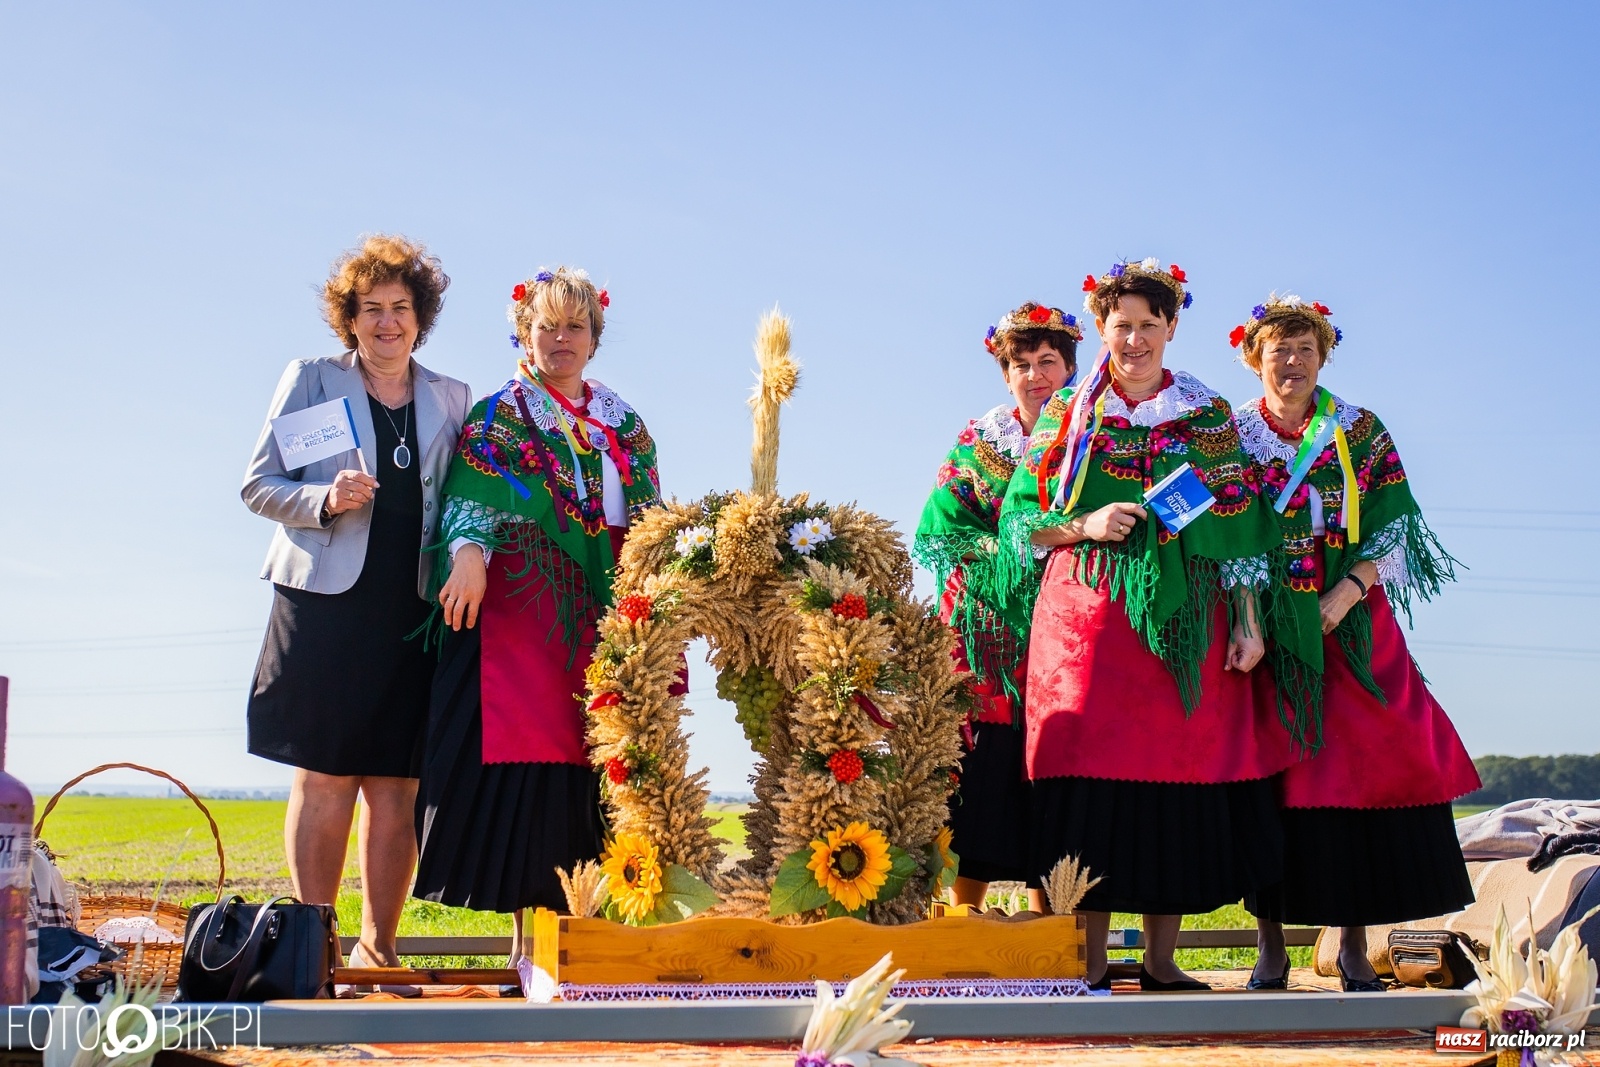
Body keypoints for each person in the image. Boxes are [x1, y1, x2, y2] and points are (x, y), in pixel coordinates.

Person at [996, 259, 1301, 991]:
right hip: (1085, 627)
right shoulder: (1070, 417)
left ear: (1171, 328)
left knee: (1177, 778)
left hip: (1185, 629)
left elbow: (1242, 523)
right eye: (1121, 325)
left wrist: (1250, 621)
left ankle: (1163, 961)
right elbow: (1017, 524)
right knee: (1088, 783)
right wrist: (1084, 523)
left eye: (1148, 325)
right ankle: (1090, 960)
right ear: (1102, 328)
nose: (1133, 339)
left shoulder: (1207, 417)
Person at [1229, 295, 1479, 992]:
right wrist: (1251, 613)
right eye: (1278, 347)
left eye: (1306, 347)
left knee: (1359, 771)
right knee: (1270, 781)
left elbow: (1396, 524)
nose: (1293, 360)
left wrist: (1349, 591)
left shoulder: (1359, 431)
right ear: (1255, 357)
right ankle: (1270, 947)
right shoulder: (1229, 433)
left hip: (1350, 619)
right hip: (1262, 624)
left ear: (1324, 355)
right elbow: (1220, 531)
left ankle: (1351, 945)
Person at [413, 267, 662, 954]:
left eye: (573, 326)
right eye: (546, 326)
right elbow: (472, 492)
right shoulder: (501, 416)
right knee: (536, 756)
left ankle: (597, 933)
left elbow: (653, 521)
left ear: (594, 337)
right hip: (529, 618)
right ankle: (531, 940)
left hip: (607, 615)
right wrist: (466, 549)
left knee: (605, 756)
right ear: (524, 333)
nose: (560, 338)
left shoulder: (626, 427)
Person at [242, 235, 471, 970]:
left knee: (396, 784)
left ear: (420, 316)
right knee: (325, 776)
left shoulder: (451, 397)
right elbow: (258, 484)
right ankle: (314, 949)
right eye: (371, 308)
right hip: (325, 606)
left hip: (410, 613)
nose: (386, 322)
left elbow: (466, 500)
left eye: (400, 308)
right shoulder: (312, 380)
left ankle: (379, 950)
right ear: (350, 317)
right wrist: (323, 497)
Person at [913, 302, 1079, 912]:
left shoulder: (1089, 439)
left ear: (1070, 368)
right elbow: (945, 529)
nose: (1035, 376)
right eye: (1022, 365)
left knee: (1051, 765)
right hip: (984, 632)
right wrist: (1014, 549)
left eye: (1048, 362)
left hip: (1066, 626)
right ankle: (963, 916)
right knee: (981, 773)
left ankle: (1048, 923)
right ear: (1005, 374)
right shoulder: (979, 443)